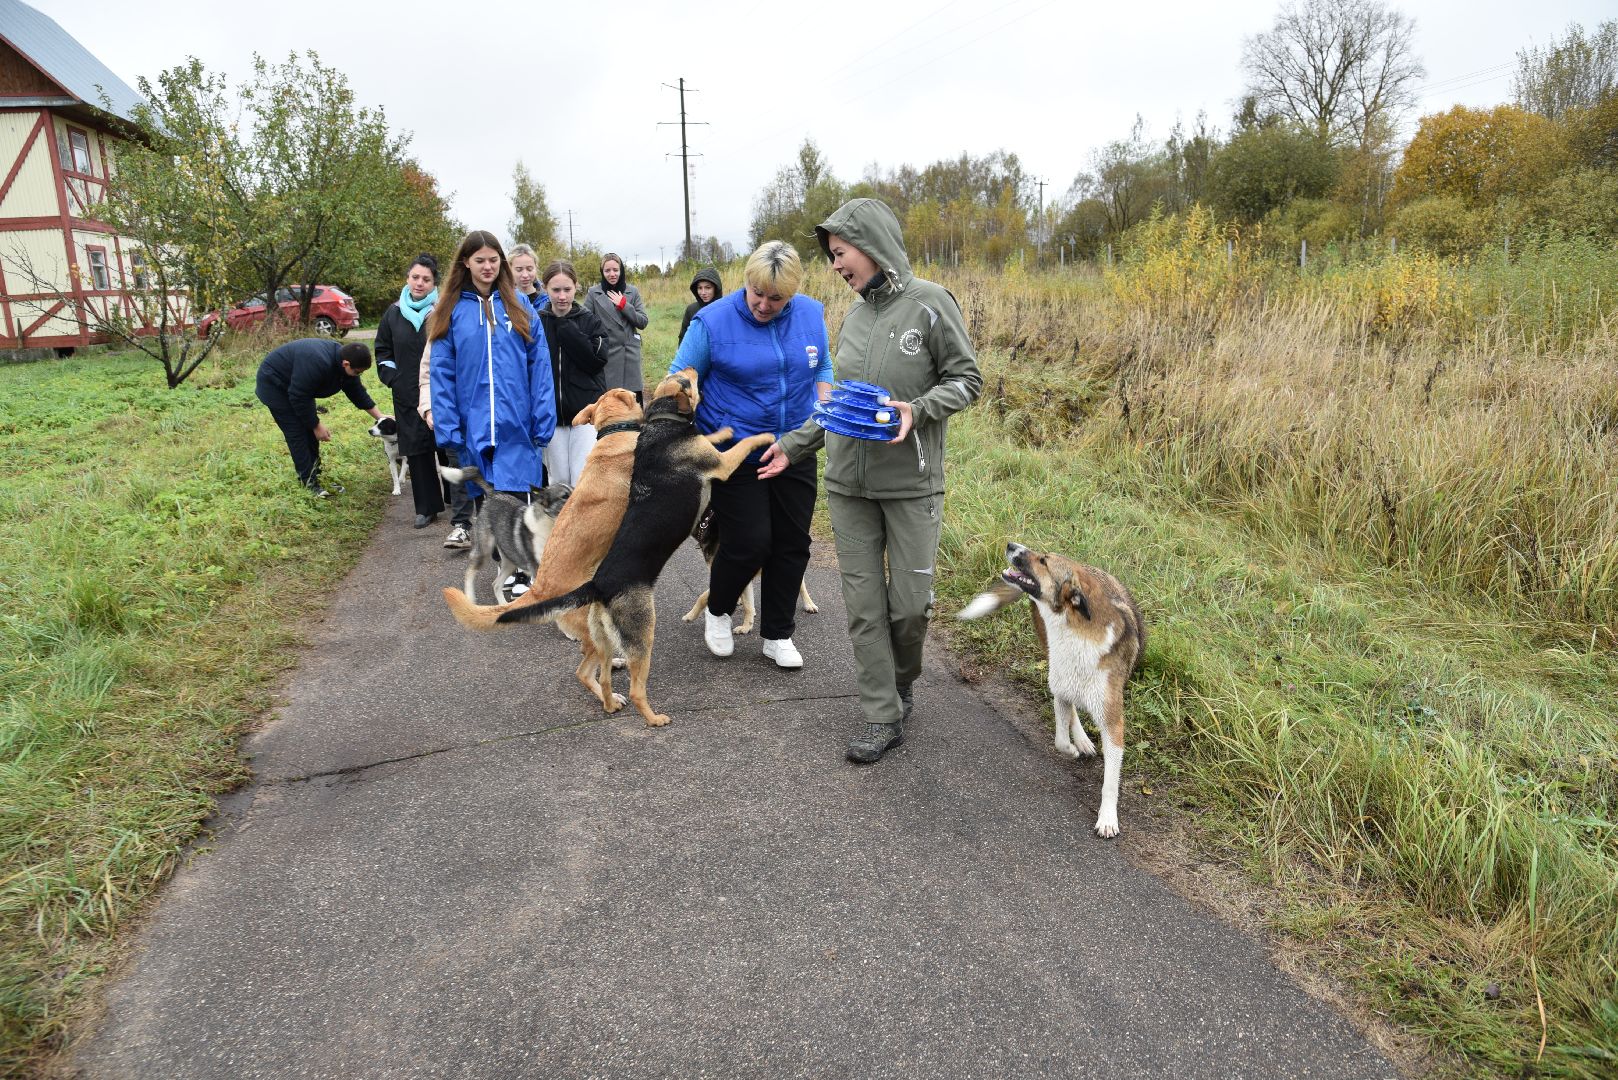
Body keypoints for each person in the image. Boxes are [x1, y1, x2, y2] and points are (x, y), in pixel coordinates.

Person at [762, 198, 982, 763]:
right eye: (832, 257)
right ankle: (881, 714)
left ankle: (902, 679)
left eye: (841, 253)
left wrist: (919, 410)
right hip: (847, 485)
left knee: (909, 608)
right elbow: (837, 407)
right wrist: (791, 447)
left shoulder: (931, 305)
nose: (835, 266)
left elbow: (967, 379)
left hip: (911, 485)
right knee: (863, 608)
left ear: (873, 244)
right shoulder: (855, 319)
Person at [670, 241, 831, 669]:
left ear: (793, 292)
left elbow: (822, 367)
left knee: (793, 543)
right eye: (757, 293)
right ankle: (718, 609)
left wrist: (822, 409)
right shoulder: (712, 321)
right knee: (749, 542)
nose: (763, 304)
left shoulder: (812, 314)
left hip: (795, 444)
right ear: (746, 283)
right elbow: (677, 376)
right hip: (734, 449)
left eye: (776, 298)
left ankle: (777, 635)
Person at [425, 229, 557, 597]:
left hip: (518, 423)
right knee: (490, 503)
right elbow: (442, 370)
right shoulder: (450, 310)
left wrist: (543, 415)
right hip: (475, 426)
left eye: (493, 259)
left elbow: (539, 364)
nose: (487, 266)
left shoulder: (520, 305)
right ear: (465, 263)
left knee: (519, 500)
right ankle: (505, 566)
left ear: (502, 262)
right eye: (479, 260)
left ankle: (524, 575)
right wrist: (449, 425)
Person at [376, 253, 463, 530]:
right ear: (407, 278)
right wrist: (393, 377)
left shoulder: (444, 309)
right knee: (416, 448)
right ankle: (426, 508)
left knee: (446, 442)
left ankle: (455, 497)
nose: (420, 283)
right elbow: (382, 351)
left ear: (433, 282)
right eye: (415, 277)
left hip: (441, 390)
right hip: (406, 393)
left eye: (426, 279)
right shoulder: (393, 313)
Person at [255, 338, 388, 497]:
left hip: (299, 389)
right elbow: (298, 396)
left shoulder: (344, 362)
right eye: (357, 372)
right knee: (297, 432)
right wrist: (316, 425)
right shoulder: (318, 363)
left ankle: (316, 476)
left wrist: (380, 416)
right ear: (346, 364)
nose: (358, 375)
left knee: (309, 430)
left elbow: (356, 391)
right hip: (274, 384)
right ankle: (308, 483)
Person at [535, 260, 609, 487]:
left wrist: (564, 326)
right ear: (545, 288)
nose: (561, 296)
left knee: (582, 477)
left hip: (584, 415)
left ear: (576, 286)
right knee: (558, 482)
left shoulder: (590, 321)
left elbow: (596, 361)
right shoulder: (537, 322)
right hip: (551, 416)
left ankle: (583, 522)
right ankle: (560, 523)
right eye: (555, 290)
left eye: (567, 289)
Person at [584, 252, 649, 402]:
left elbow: (643, 322)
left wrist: (624, 305)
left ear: (621, 270)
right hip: (608, 356)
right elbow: (585, 322)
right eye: (607, 270)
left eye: (615, 270)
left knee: (633, 405)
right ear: (602, 272)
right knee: (611, 405)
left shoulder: (632, 291)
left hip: (630, 355)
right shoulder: (594, 293)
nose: (612, 274)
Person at [677, 267, 722, 344]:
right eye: (700, 288)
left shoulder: (725, 309)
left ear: (716, 288)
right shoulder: (691, 310)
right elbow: (683, 338)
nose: (703, 292)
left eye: (708, 287)